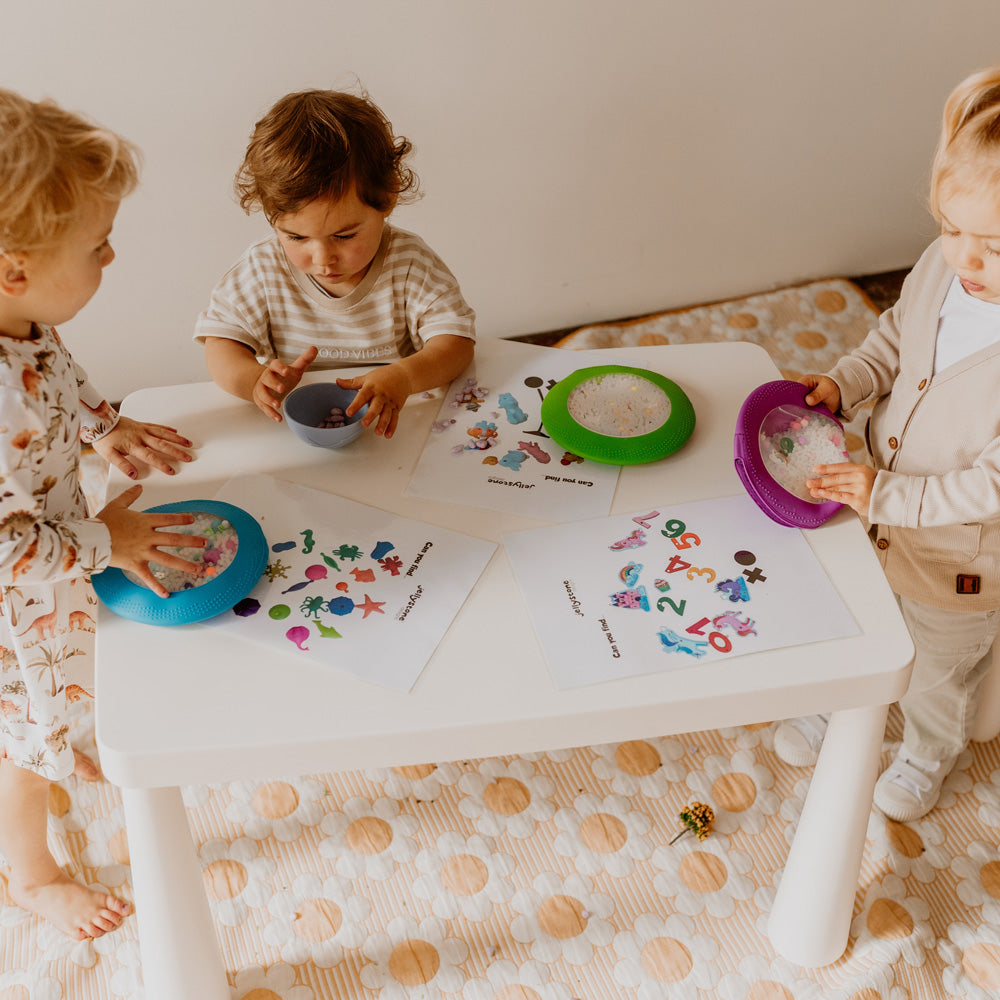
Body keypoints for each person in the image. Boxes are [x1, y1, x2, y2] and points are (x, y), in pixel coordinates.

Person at [0, 89, 204, 939]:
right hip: (13, 609)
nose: (112, 255)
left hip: (52, 571)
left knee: (64, 690)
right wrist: (105, 539)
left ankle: (61, 725)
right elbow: (8, 549)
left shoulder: (22, 319)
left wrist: (105, 427)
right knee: (17, 754)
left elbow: (60, 371)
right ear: (15, 267)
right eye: (97, 246)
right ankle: (32, 875)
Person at [773, 66, 1000, 823]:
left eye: (993, 245)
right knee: (851, 612)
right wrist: (845, 382)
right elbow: (893, 338)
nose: (966, 259)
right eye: (951, 228)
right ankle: (837, 707)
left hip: (958, 555)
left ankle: (929, 750)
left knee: (940, 665)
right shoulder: (942, 269)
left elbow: (991, 484)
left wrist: (894, 497)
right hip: (874, 508)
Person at [195, 89, 476, 440]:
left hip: (391, 424)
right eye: (296, 238)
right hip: (293, 432)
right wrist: (252, 380)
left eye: (344, 236)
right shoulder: (263, 268)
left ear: (386, 199)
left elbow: (456, 344)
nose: (322, 258)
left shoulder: (409, 263)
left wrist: (404, 377)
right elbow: (221, 343)